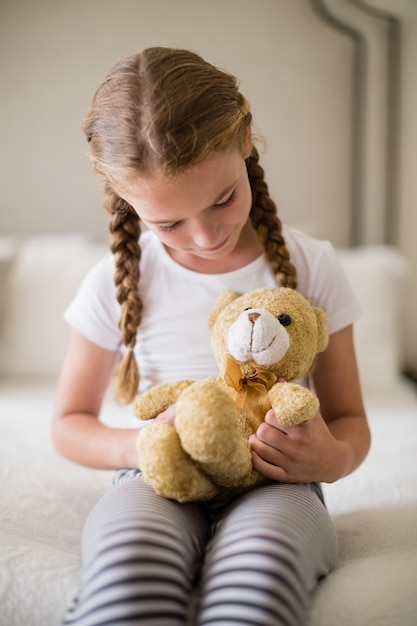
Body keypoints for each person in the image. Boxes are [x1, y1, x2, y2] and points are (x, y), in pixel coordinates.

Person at [52, 47, 371, 626]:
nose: (203, 236)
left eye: (222, 199)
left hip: (277, 482)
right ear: (127, 201)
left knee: (263, 569)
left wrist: (332, 456)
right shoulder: (116, 280)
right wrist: (143, 445)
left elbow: (352, 421)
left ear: (246, 139)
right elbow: (68, 423)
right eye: (169, 223)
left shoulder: (312, 265)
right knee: (128, 568)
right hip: (159, 474)